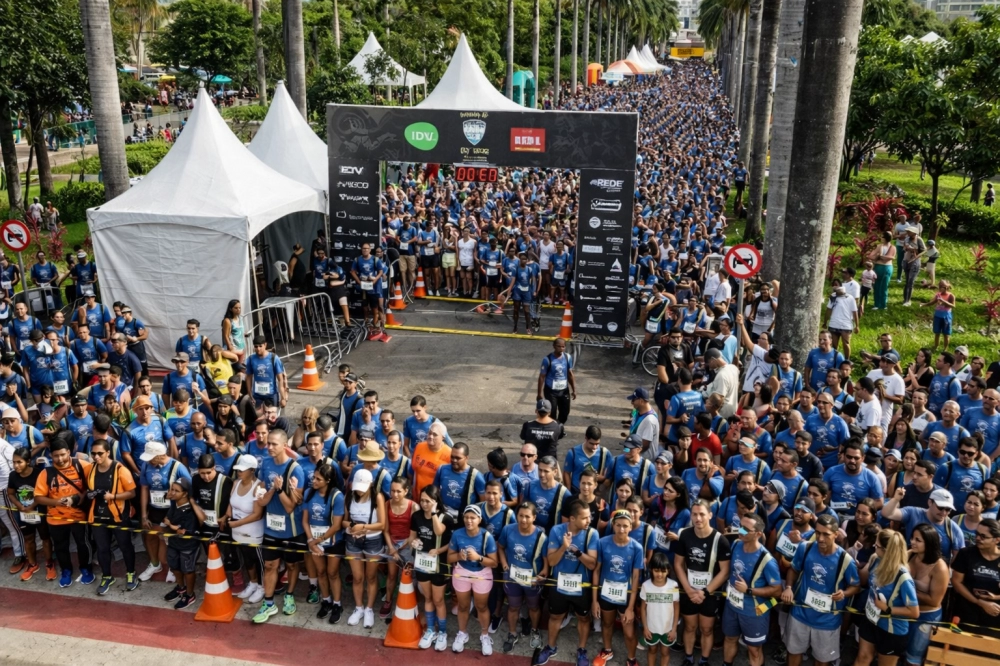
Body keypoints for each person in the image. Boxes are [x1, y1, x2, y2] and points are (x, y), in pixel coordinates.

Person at [781, 513, 861, 666]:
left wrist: (844, 593)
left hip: (827, 620)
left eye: (826, 534)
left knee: (822, 660)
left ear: (836, 534)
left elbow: (856, 587)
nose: (821, 538)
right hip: (800, 613)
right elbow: (794, 569)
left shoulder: (845, 560)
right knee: (793, 653)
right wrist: (789, 588)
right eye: (818, 533)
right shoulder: (805, 548)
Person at [252, 429, 306, 624]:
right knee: (270, 565)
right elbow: (261, 493)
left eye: (274, 444)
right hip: (270, 527)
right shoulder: (266, 463)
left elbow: (291, 507)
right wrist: (265, 492)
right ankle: (268, 603)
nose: (269, 447)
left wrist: (280, 489)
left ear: (285, 446)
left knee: (292, 565)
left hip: (292, 529)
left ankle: (289, 595)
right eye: (269, 443)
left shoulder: (295, 469)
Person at [537, 498, 599, 666]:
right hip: (559, 584)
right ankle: (551, 647)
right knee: (555, 616)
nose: (589, 520)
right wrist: (564, 546)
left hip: (582, 586)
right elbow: (551, 561)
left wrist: (576, 551)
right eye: (584, 518)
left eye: (589, 517)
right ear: (572, 518)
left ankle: (582, 649)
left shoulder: (592, 534)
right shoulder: (557, 531)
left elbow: (592, 564)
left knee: (583, 618)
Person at [674, 499, 731, 666]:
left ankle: (704, 660)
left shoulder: (720, 540)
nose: (698, 518)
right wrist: (688, 589)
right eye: (694, 514)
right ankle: (689, 657)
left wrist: (704, 592)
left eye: (702, 514)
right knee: (690, 627)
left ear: (710, 515)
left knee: (706, 629)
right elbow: (678, 564)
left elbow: (725, 571)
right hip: (689, 590)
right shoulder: (684, 535)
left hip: (710, 593)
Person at [31, 437, 94, 588]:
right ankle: (66, 570)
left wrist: (78, 498)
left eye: (62, 454)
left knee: (83, 544)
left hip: (79, 516)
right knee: (60, 547)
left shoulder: (82, 466)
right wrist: (57, 502)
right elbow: (38, 497)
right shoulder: (46, 473)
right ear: (50, 455)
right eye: (56, 456)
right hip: (56, 518)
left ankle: (86, 568)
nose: (60, 459)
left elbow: (94, 486)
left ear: (69, 452)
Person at [721, 513, 782, 666]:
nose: (741, 531)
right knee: (729, 638)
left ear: (758, 534)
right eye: (740, 527)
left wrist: (749, 590)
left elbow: (777, 590)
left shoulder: (767, 560)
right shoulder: (736, 544)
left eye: (746, 529)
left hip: (753, 612)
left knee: (754, 649)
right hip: (732, 605)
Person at [852, 530, 920, 666]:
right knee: (862, 658)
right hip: (871, 619)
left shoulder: (903, 577)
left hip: (892, 630)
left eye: (877, 546)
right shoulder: (875, 560)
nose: (874, 548)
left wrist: (887, 609)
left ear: (887, 551)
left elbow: (914, 612)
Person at [590, 509, 645, 666]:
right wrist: (595, 600)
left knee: (629, 632)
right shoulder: (602, 543)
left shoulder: (636, 548)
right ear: (613, 525)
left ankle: (631, 659)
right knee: (607, 624)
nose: (621, 529)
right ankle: (607, 650)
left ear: (630, 527)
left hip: (625, 595)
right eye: (618, 525)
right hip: (606, 593)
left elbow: (636, 577)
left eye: (625, 526)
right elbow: (596, 571)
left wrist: (631, 607)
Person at [86, 438, 138, 595]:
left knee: (125, 545)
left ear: (108, 452)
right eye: (93, 453)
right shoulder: (90, 468)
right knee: (102, 548)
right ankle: (107, 576)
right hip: (98, 515)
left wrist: (113, 496)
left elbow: (132, 493)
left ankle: (131, 573)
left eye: (100, 453)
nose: (96, 457)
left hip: (118, 515)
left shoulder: (120, 469)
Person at [446, 504, 498, 655]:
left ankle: (485, 635)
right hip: (461, 572)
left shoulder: (487, 536)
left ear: (479, 519)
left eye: (473, 518)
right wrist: (459, 556)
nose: (469, 521)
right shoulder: (457, 534)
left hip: (482, 574)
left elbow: (494, 563)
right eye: (466, 517)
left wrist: (478, 557)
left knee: (481, 606)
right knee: (463, 606)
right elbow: (449, 558)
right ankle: (462, 633)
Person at [498, 501, 548, 653]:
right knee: (513, 607)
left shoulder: (541, 536)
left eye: (527, 516)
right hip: (512, 578)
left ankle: (534, 630)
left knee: (533, 607)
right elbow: (500, 547)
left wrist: (544, 571)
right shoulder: (508, 530)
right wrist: (504, 564)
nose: (523, 520)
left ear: (534, 517)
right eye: (520, 516)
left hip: (532, 580)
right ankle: (512, 633)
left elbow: (546, 560)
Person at [412, 484, 455, 652]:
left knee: (438, 600)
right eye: (422, 500)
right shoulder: (416, 516)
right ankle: (430, 630)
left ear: (436, 501)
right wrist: (414, 543)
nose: (424, 504)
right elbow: (412, 537)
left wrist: (434, 513)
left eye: (428, 501)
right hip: (422, 563)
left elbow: (440, 534)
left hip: (439, 565)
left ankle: (442, 632)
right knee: (428, 598)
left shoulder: (446, 518)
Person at [4, 446, 55, 581]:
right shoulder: (13, 476)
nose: (16, 465)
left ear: (28, 461)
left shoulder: (39, 474)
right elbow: (10, 493)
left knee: (45, 538)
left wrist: (31, 506)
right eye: (14, 462)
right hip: (23, 513)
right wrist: (19, 505)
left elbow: (44, 493)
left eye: (19, 462)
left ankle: (49, 563)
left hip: (39, 512)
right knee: (28, 538)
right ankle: (32, 564)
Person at [903, 524, 950, 665]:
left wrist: (908, 591)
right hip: (906, 613)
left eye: (918, 540)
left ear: (929, 543)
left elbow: (935, 601)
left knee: (913, 659)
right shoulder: (910, 554)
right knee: (899, 652)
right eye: (912, 538)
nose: (912, 542)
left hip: (925, 618)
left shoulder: (940, 567)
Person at [226, 455, 266, 606]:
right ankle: (253, 583)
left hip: (253, 533)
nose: (239, 472)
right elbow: (231, 503)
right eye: (238, 470)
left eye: (242, 470)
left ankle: (262, 587)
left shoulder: (259, 486)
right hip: (237, 532)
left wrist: (237, 523)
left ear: (252, 470)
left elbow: (257, 514)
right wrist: (226, 516)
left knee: (258, 561)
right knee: (247, 560)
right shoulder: (235, 483)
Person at [951, 518, 1000, 638]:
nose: (978, 538)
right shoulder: (966, 554)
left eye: (983, 536)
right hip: (966, 610)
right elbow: (956, 582)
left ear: (997, 540)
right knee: (959, 644)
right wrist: (979, 602)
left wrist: (995, 598)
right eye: (977, 534)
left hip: (994, 614)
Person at [639, 550, 680, 666]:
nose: (659, 574)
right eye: (656, 570)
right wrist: (645, 628)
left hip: (667, 628)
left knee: (665, 651)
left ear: (668, 571)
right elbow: (643, 608)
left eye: (663, 571)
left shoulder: (673, 585)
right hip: (651, 627)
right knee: (652, 650)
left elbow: (676, 608)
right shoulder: (646, 586)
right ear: (651, 570)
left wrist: (674, 629)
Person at [538, 337, 576, 425]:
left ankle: (559, 427)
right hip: (551, 392)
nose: (561, 348)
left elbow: (570, 374)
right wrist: (539, 393)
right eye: (559, 346)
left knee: (565, 412)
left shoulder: (567, 357)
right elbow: (541, 377)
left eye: (563, 347)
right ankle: (553, 428)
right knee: (552, 413)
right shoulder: (547, 359)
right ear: (554, 346)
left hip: (564, 391)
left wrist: (574, 390)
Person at [244, 336, 287, 410]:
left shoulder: (274, 358)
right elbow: (248, 377)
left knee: (272, 415)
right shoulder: (251, 359)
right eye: (256, 346)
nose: (258, 349)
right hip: (257, 395)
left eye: (260, 346)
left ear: (265, 345)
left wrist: (283, 398)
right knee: (257, 416)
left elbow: (280, 379)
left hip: (271, 394)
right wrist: (249, 393)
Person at [822, 287, 859, 360]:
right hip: (834, 324)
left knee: (846, 344)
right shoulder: (833, 297)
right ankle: (834, 360)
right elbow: (828, 310)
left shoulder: (850, 298)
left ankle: (847, 361)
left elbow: (855, 312)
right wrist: (825, 322)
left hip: (846, 325)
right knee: (833, 345)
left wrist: (857, 326)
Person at [922, 280, 955, 351]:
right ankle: (936, 346)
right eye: (939, 287)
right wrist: (924, 304)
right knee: (937, 333)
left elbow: (953, 306)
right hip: (937, 315)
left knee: (946, 334)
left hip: (946, 316)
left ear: (946, 287)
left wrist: (944, 302)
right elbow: (932, 302)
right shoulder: (938, 295)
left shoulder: (951, 296)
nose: (940, 289)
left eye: (942, 287)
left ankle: (945, 348)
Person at [868, 231, 896, 311]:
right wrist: (881, 257)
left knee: (880, 286)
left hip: (883, 267)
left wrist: (879, 256)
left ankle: (880, 304)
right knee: (881, 286)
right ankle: (880, 304)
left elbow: (871, 256)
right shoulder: (886, 247)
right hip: (883, 267)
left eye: (882, 236)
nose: (881, 238)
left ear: (885, 238)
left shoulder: (886, 247)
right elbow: (871, 256)